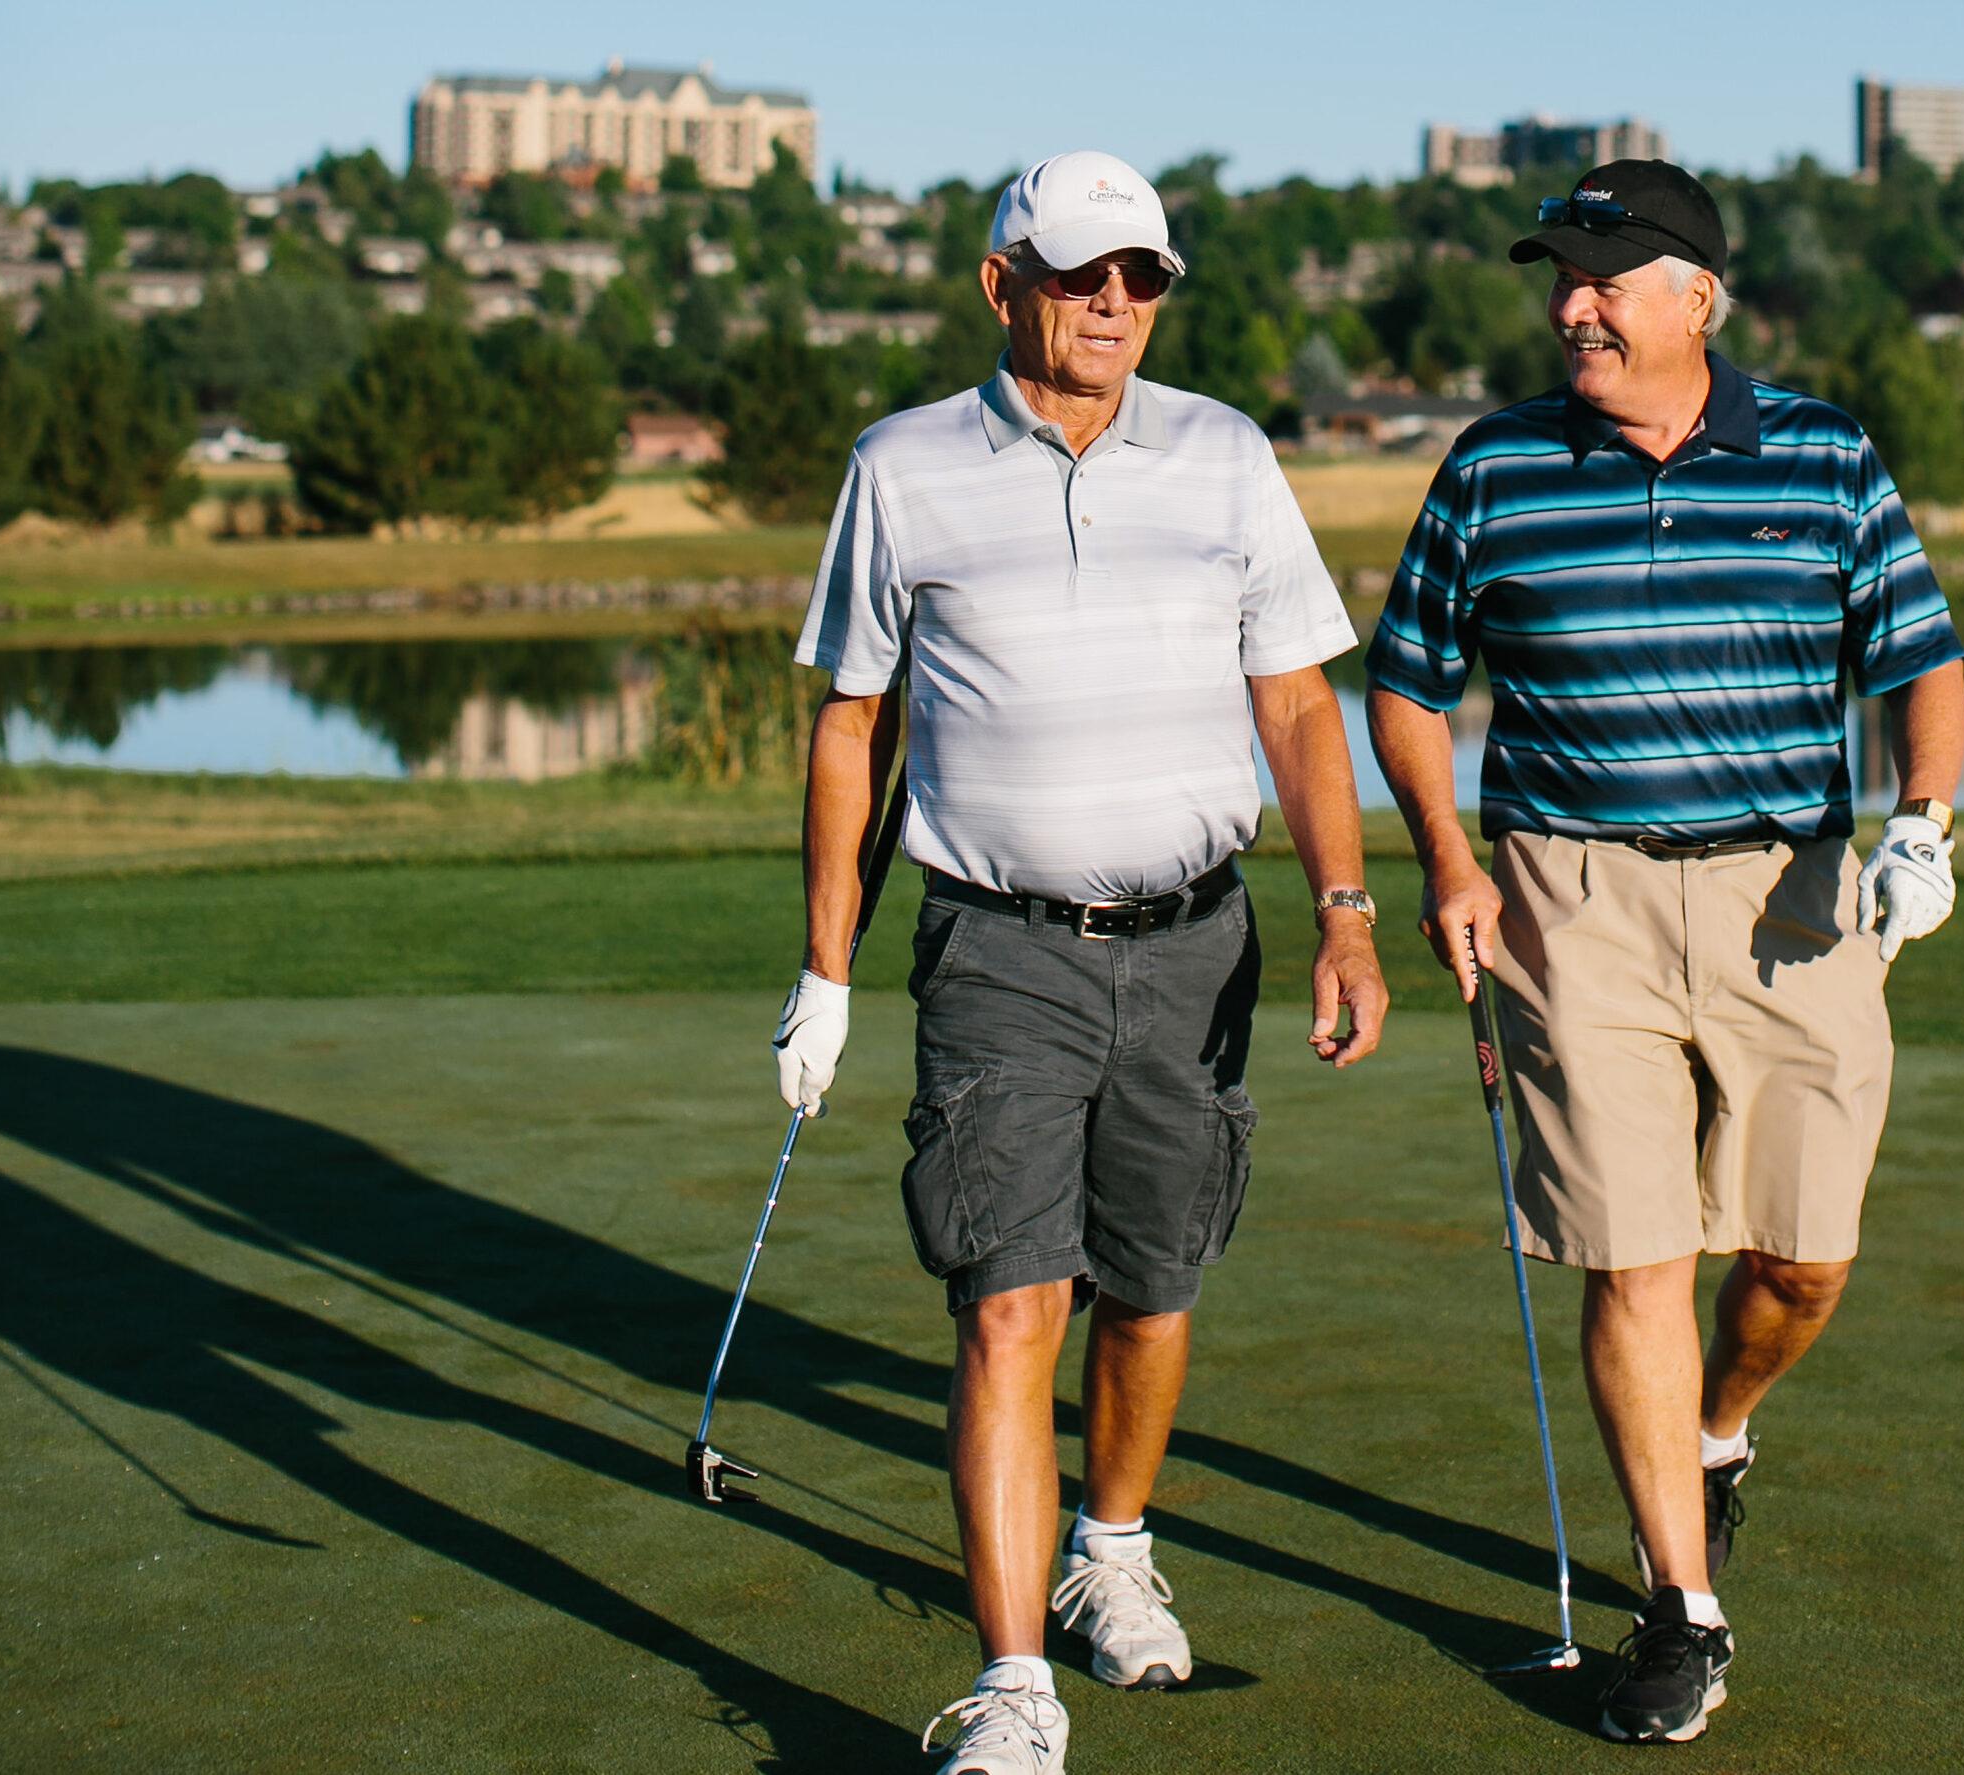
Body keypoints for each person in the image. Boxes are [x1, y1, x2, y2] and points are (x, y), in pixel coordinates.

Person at [774, 150, 1388, 1775]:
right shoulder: (902, 469)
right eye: (1081, 272)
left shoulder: (1226, 454)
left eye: (1142, 278)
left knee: (1157, 1282)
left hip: (1198, 943)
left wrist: (1344, 907)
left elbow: (1301, 704)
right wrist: (827, 971)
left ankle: (1111, 1551)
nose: (1115, 301)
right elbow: (853, 724)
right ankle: (1014, 1684)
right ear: (1003, 284)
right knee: (1006, 1301)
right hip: (998, 947)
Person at [1366, 159, 1964, 1746]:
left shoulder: (1825, 454)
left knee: (1800, 1258)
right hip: (1570, 903)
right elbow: (1411, 681)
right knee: (1633, 1256)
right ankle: (1680, 1611)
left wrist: (1925, 821)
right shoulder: (1494, 468)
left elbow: (1921, 661)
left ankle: (1721, 1427)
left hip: (1794, 900)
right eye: (1560, 277)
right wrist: (1445, 859)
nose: (1574, 305)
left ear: (1698, 295)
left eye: (1608, 277)